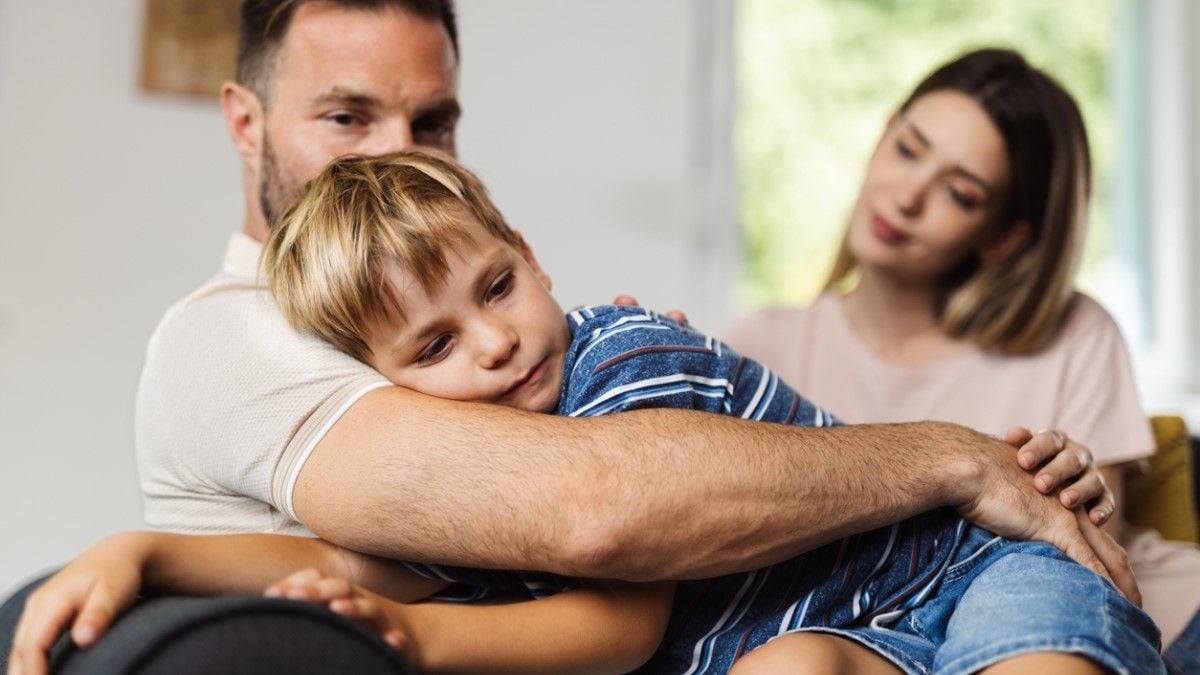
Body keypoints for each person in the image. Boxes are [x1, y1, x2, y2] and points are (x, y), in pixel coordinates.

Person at [9, 149, 1163, 675]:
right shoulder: (483, 455)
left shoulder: (624, 360)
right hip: (829, 630)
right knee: (794, 667)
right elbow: (363, 562)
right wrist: (145, 552)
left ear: (533, 257)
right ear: (386, 384)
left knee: (1032, 657)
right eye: (438, 346)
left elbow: (619, 628)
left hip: (967, 562)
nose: (499, 342)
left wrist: (424, 642)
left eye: (499, 289)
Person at [126, 0, 1129, 595]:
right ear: (246, 124)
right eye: (347, 117)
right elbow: (597, 505)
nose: (394, 159)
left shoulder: (482, 339)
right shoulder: (231, 333)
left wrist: (666, 387)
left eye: (431, 122)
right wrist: (951, 456)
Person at [723, 48, 1200, 672]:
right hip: (892, 644)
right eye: (907, 149)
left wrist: (1079, 485)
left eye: (959, 192)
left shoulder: (1074, 334)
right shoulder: (760, 345)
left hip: (1150, 629)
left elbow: (1091, 562)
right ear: (881, 137)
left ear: (1005, 237)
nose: (907, 197)